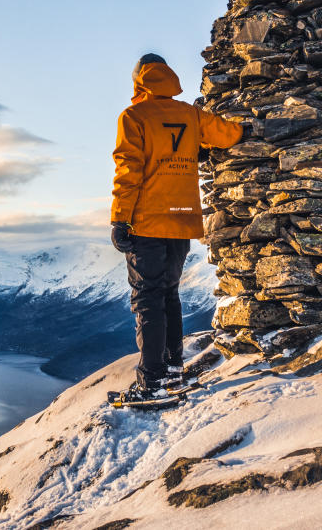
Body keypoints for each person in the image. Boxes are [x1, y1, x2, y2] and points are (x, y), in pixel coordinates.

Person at [111, 53, 243, 402]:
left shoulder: (134, 116)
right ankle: (172, 368)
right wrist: (195, 147)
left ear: (139, 80)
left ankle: (151, 381)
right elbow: (230, 135)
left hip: (147, 222)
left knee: (147, 299)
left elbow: (129, 171)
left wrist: (119, 219)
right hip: (182, 219)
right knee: (168, 293)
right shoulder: (189, 114)